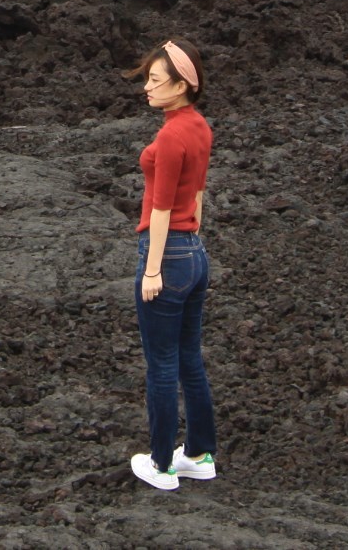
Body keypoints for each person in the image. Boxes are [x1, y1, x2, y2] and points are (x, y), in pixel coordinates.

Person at [123, 37, 216, 491]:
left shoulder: (171, 134)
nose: (147, 88)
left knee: (160, 363)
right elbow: (197, 193)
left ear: (181, 86)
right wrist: (191, 239)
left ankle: (160, 465)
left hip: (169, 255)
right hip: (195, 253)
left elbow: (161, 210)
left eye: (156, 81)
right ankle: (199, 454)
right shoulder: (198, 126)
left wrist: (153, 269)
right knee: (188, 359)